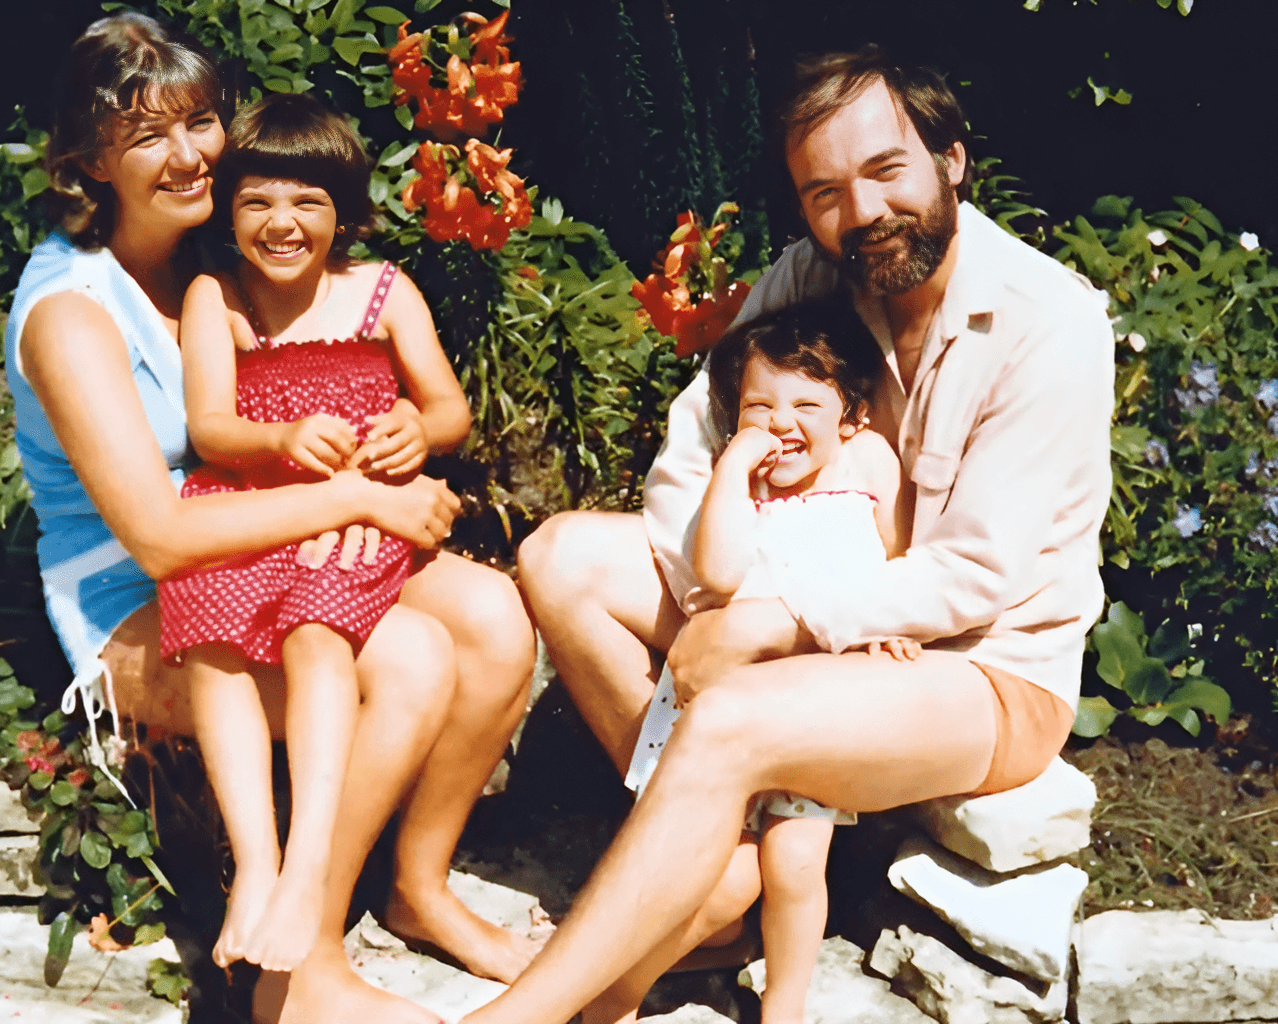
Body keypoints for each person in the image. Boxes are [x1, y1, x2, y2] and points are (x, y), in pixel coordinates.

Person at [477, 44, 1113, 1024]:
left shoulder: (1046, 322)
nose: (862, 212)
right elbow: (689, 458)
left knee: (730, 717)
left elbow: (975, 574)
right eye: (824, 192)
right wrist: (722, 602)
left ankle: (535, 1012)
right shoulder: (809, 280)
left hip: (979, 671)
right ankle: (720, 866)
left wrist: (776, 622)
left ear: (950, 159)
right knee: (560, 557)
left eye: (885, 170)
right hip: (806, 615)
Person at [5, 14, 535, 1024]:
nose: (190, 154)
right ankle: (302, 968)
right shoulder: (72, 313)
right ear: (88, 161)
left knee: (496, 622)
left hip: (270, 530)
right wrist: (361, 497)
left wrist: (389, 447)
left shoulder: (205, 254)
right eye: (148, 135)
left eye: (200, 121)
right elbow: (159, 536)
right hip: (137, 591)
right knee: (413, 658)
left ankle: (417, 887)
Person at [154, 91, 473, 974]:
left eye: (308, 202)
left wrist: (418, 426)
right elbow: (210, 426)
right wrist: (278, 438)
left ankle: (306, 866)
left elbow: (450, 407)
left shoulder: (382, 292)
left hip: (356, 515)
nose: (281, 223)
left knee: (315, 634)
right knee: (209, 626)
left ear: (345, 213)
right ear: (228, 212)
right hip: (255, 502)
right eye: (256, 201)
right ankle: (254, 868)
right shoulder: (217, 295)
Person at [624, 299, 913, 1024]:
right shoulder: (743, 484)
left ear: (852, 416)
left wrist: (892, 625)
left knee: (795, 861)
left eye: (807, 405)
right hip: (722, 705)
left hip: (810, 703)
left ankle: (785, 1002)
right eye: (760, 407)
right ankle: (617, 978)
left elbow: (900, 560)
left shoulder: (869, 464)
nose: (780, 423)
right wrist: (732, 468)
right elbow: (718, 573)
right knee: (691, 858)